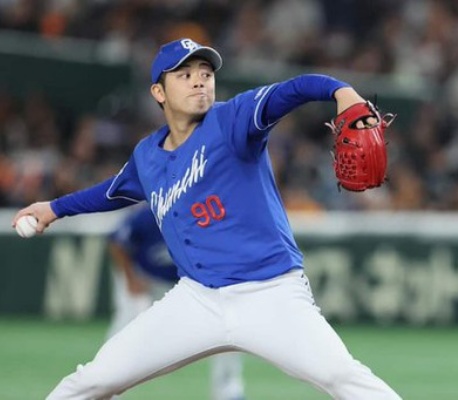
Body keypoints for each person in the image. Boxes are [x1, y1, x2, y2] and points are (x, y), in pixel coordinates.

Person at [13, 38, 402, 399]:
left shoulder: (233, 119)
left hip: (271, 294)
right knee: (94, 379)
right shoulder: (147, 156)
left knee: (342, 376)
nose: (199, 81)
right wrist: (53, 209)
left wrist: (342, 92)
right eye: (184, 75)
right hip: (196, 299)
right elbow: (111, 192)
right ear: (159, 92)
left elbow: (295, 89)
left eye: (205, 73)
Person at [107, 204, 245, 400]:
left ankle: (228, 389)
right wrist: (131, 278)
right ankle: (107, 388)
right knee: (125, 328)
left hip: (186, 284)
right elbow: (116, 242)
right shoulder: (149, 215)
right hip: (148, 282)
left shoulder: (202, 216)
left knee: (225, 324)